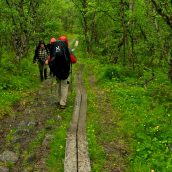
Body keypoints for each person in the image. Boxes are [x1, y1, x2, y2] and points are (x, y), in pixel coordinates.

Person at [49, 36, 77, 109]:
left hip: (57, 72)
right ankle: (62, 103)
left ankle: (59, 100)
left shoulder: (55, 49)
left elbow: (50, 59)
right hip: (65, 72)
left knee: (58, 85)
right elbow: (74, 60)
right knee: (64, 86)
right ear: (66, 42)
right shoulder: (68, 50)